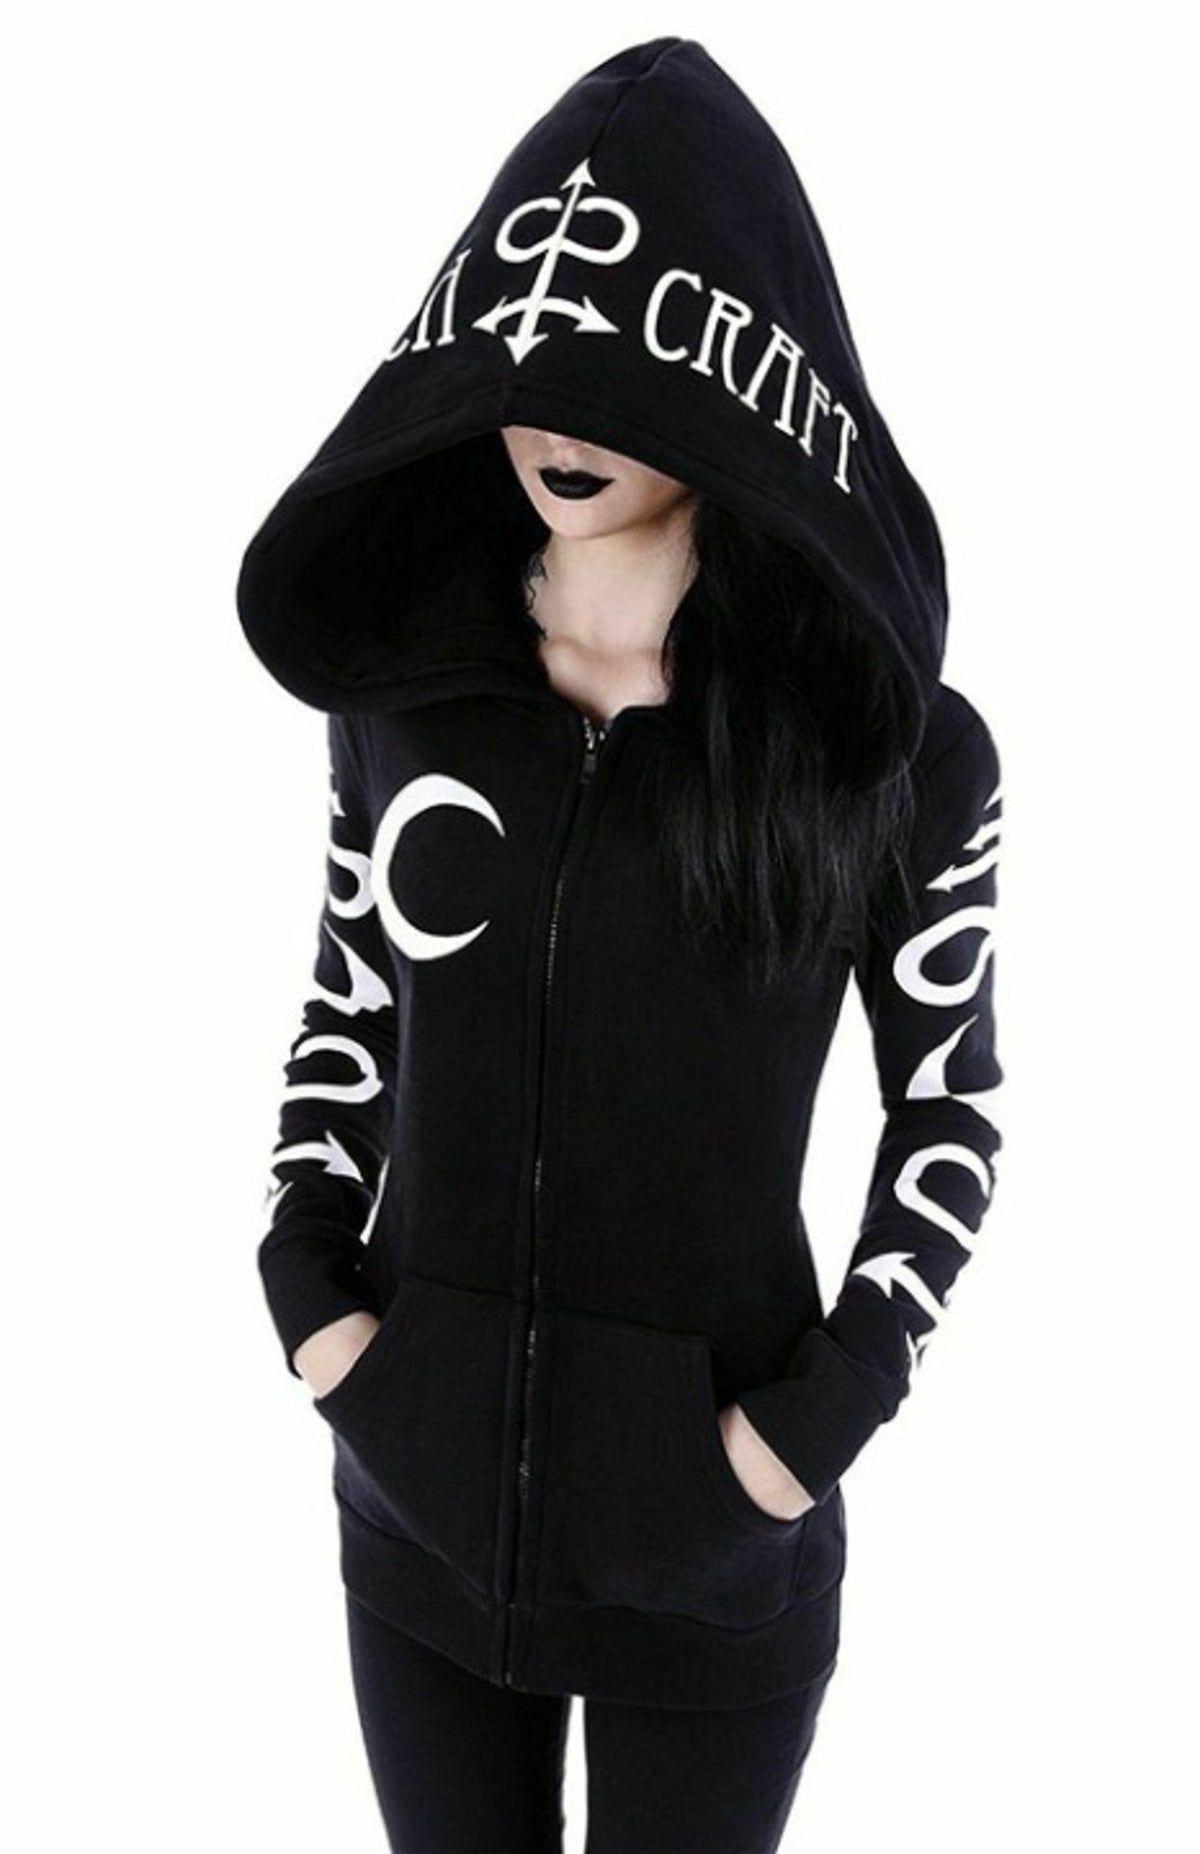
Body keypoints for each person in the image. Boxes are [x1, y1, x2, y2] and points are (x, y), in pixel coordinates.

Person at [236, 35, 1004, 1854]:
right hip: (418, 1528)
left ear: (735, 389)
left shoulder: (884, 751)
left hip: (714, 1564)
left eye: (618, 376)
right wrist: (321, 1312)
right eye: (532, 363)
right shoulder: (405, 697)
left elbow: (950, 1120)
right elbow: (349, 1016)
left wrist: (795, 1436)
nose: (558, 419)